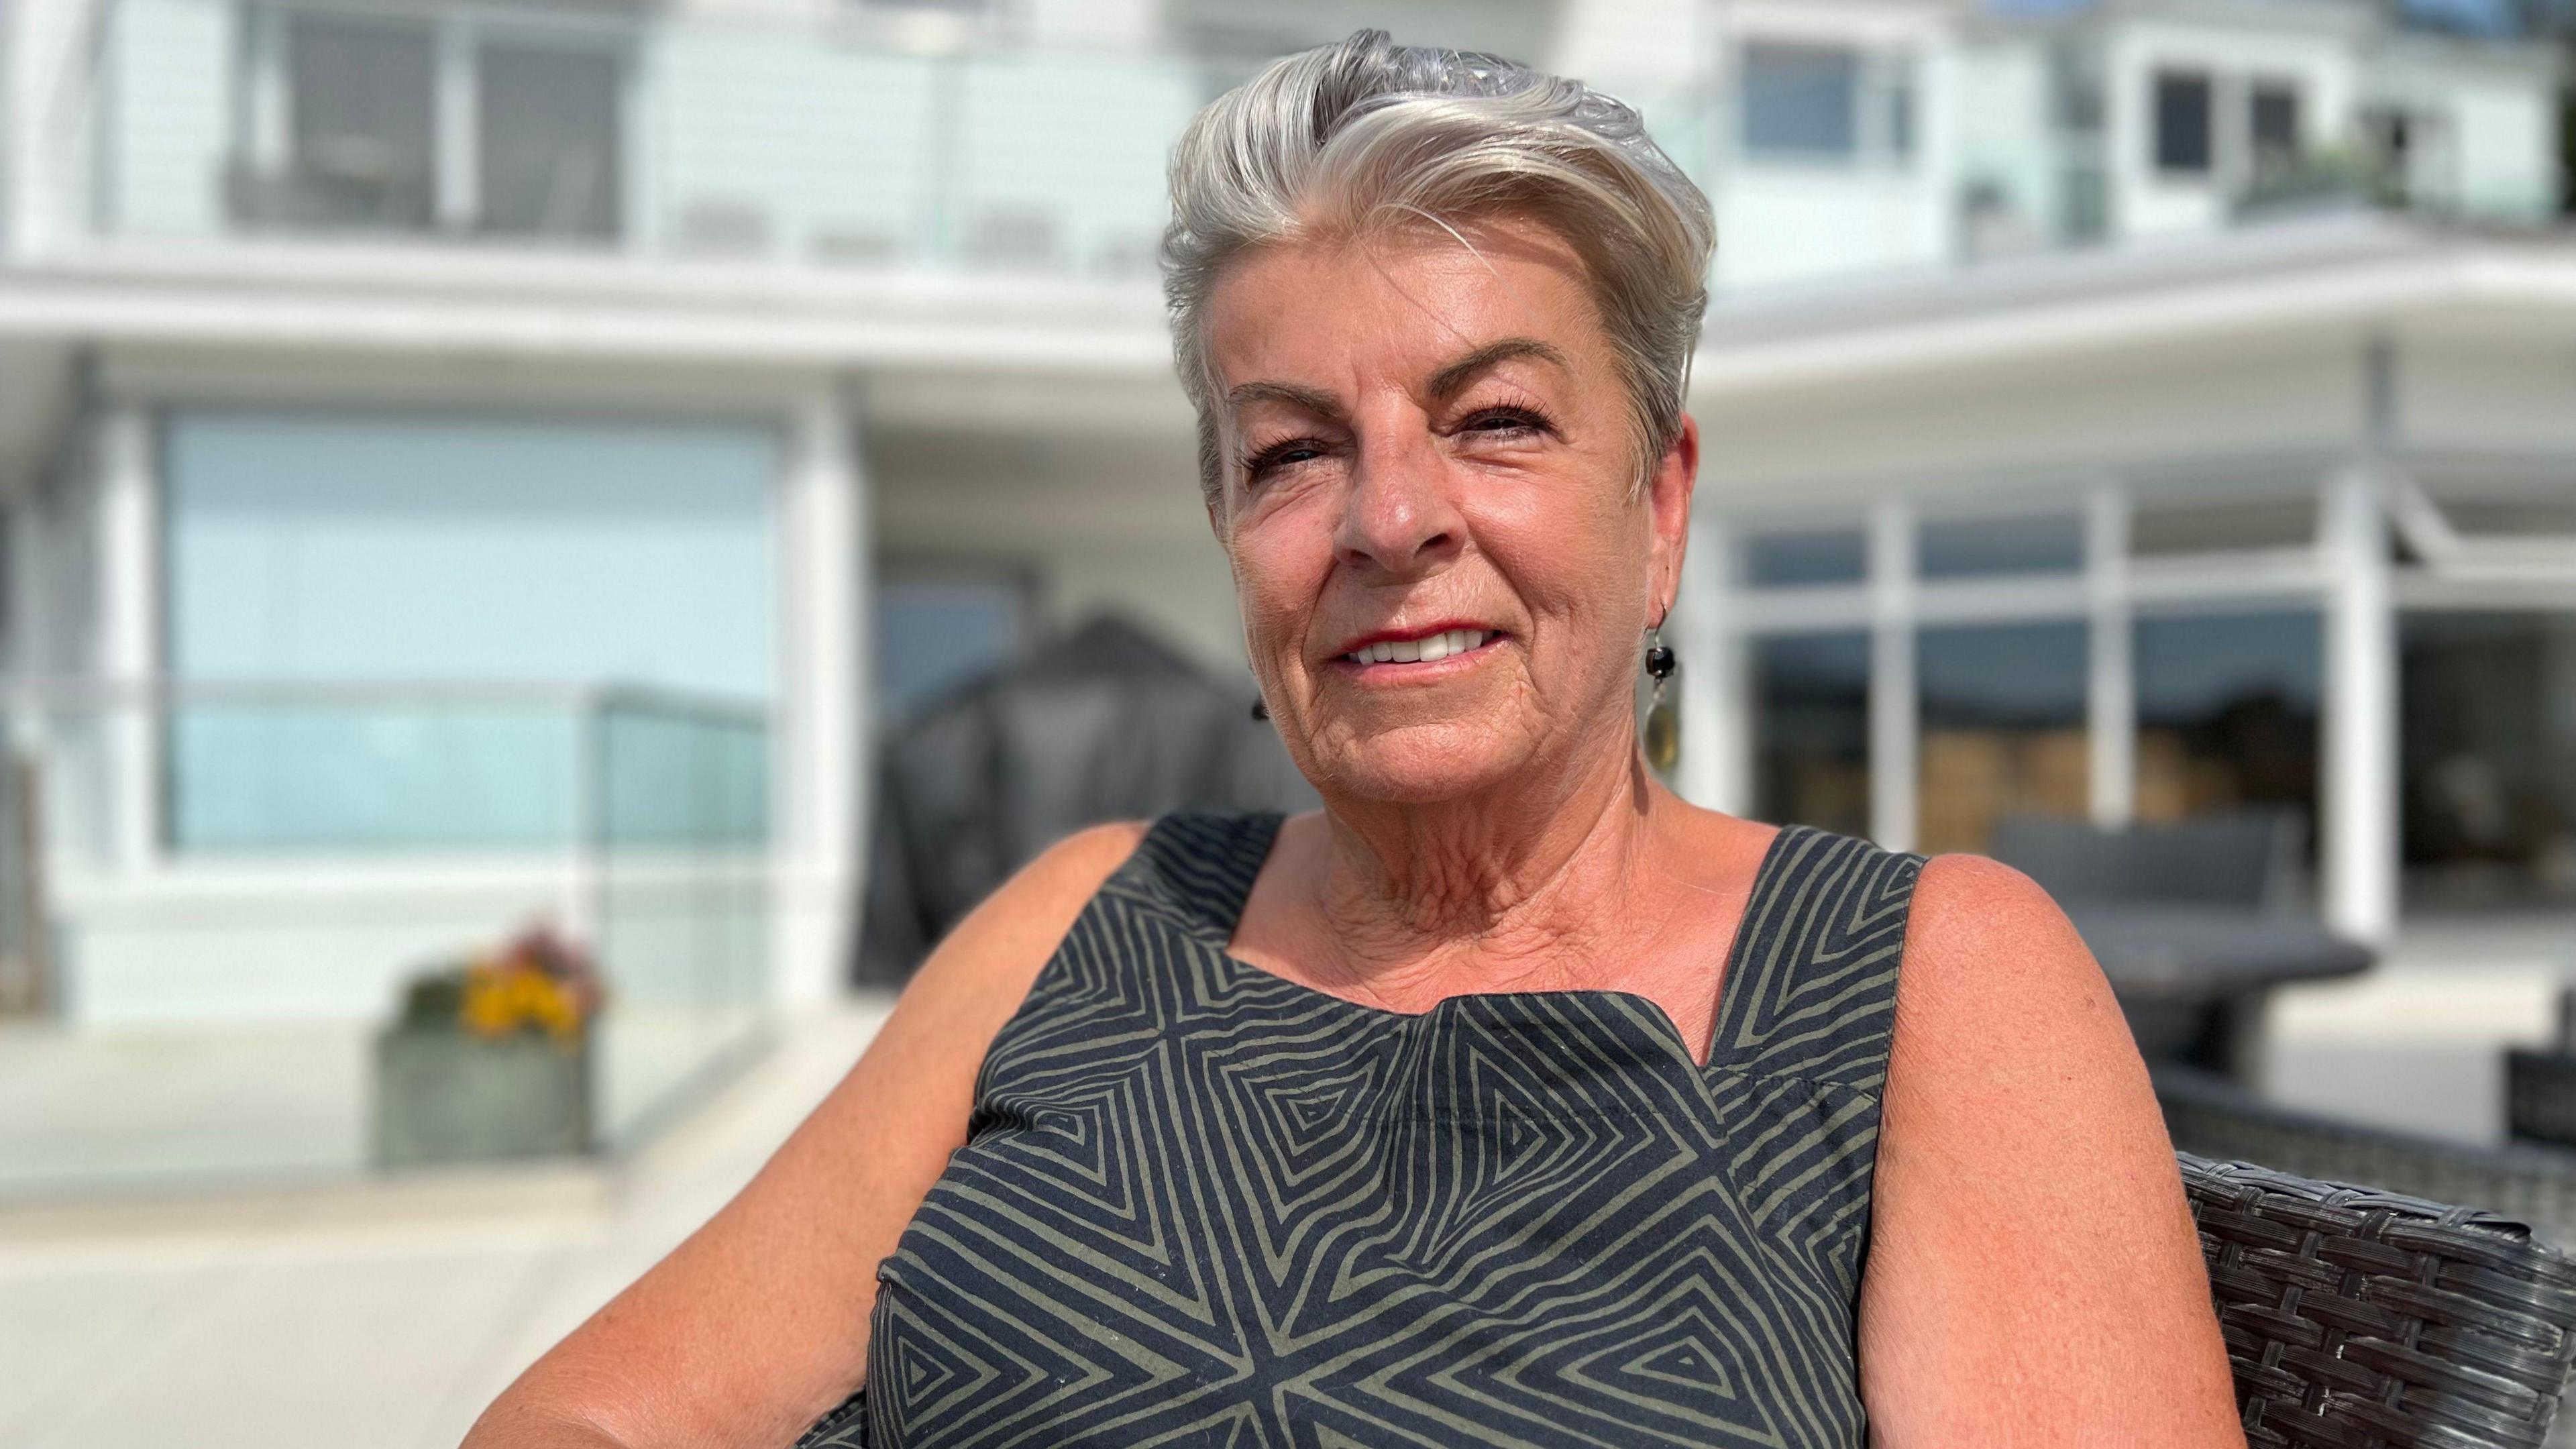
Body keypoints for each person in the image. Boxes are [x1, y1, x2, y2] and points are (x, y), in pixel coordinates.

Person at [466, 32, 2242, 1448]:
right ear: (1230, 527)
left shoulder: (1929, 976)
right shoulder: (1093, 915)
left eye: (1498, 421)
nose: (1389, 519)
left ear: (1663, 505)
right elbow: (591, 1413)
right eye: (1294, 450)